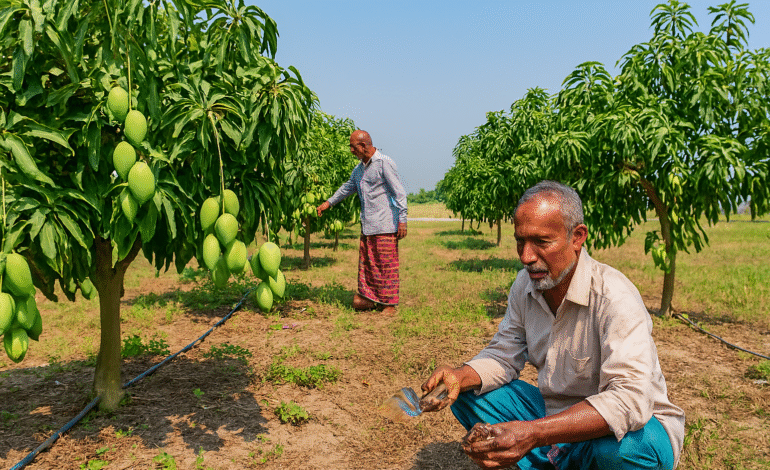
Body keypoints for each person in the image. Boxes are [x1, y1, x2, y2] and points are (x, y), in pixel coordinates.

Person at [420, 180, 685, 469]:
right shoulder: (526, 285)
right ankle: (560, 459)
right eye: (520, 241)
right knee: (467, 392)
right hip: (555, 421)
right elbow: (503, 354)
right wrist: (460, 375)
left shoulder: (614, 296)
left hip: (636, 430)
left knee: (617, 450)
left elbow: (630, 401)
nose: (526, 257)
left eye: (542, 242)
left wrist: (533, 434)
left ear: (577, 237)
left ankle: (557, 456)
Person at [316, 130, 408, 315]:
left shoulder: (384, 163)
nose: (351, 150)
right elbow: (347, 188)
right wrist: (328, 203)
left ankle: (389, 303)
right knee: (368, 266)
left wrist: (402, 220)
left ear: (363, 145)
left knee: (385, 266)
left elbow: (399, 193)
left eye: (353, 146)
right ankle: (371, 298)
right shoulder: (358, 170)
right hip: (368, 227)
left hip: (384, 226)